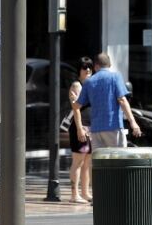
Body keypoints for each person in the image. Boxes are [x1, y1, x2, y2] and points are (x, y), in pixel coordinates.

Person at [74, 52, 142, 151]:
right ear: (109, 65)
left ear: (95, 66)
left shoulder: (89, 82)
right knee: (118, 161)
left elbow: (77, 105)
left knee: (99, 163)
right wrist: (133, 122)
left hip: (96, 130)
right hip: (113, 127)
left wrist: (72, 99)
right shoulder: (115, 77)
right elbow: (122, 100)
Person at [68, 57, 93, 204]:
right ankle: (74, 195)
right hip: (81, 127)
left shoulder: (89, 85)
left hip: (90, 127)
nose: (88, 70)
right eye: (85, 67)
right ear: (79, 70)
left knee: (87, 162)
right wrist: (79, 129)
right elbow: (76, 110)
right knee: (78, 160)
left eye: (90, 67)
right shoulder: (77, 85)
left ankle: (85, 193)